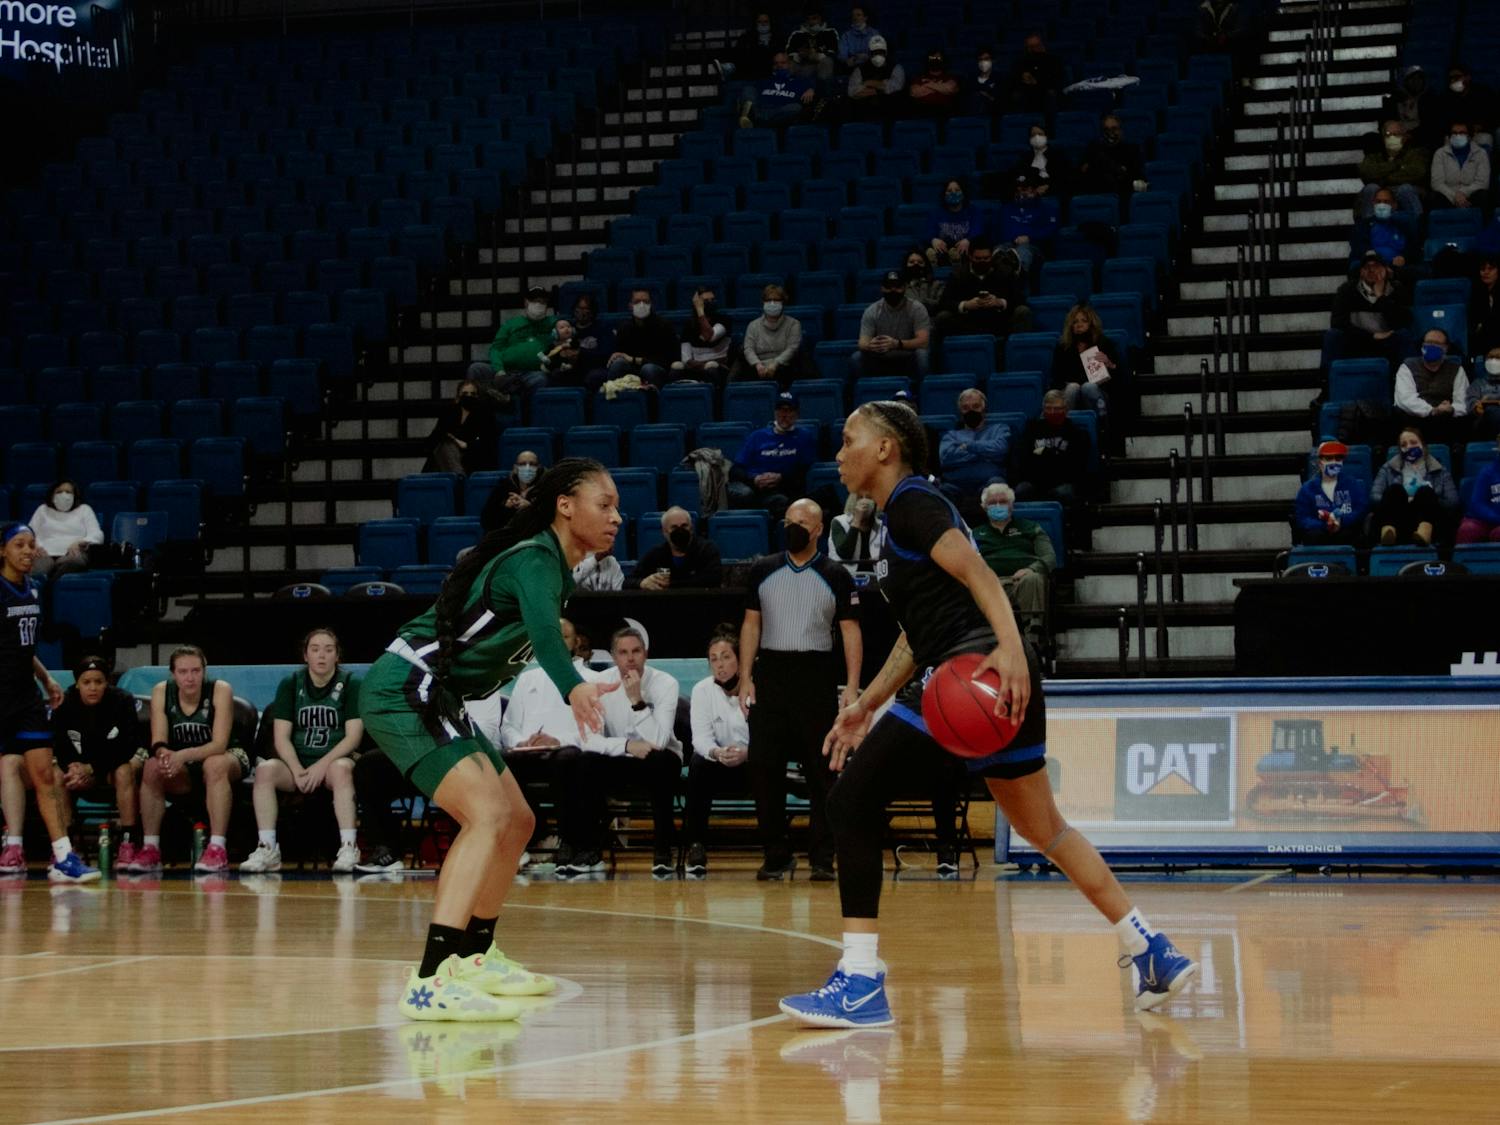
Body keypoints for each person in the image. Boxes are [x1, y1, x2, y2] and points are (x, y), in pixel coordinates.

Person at [777, 401, 1197, 1028]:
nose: (838, 453)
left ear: (886, 448)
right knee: (1047, 831)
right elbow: (917, 636)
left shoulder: (915, 502)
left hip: (970, 675)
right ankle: (1150, 948)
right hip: (984, 671)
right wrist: (865, 703)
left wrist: (1008, 648)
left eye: (849, 440)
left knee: (848, 802)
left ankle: (861, 980)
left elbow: (981, 575)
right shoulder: (898, 521)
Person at [360, 457, 621, 1020]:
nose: (616, 517)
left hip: (438, 695)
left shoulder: (556, 567)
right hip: (405, 687)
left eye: (618, 506)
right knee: (486, 816)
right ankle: (430, 978)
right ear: (565, 506)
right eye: (605, 504)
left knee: (519, 820)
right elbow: (550, 641)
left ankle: (475, 955)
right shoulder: (535, 561)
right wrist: (574, 687)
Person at [739, 498, 862, 881]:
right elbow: (751, 625)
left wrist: (853, 686)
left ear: (819, 529)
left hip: (816, 674)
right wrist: (745, 675)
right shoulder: (762, 570)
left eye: (803, 522)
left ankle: (823, 858)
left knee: (822, 771)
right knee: (764, 768)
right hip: (772, 673)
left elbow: (850, 632)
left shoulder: (835, 574)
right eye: (789, 521)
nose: (794, 527)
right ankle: (776, 854)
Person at [0, 530, 97, 882]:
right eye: (19, 545)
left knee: (44, 775)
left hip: (25, 698)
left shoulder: (35, 588)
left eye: (31, 545)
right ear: (3, 551)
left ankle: (62, 857)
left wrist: (45, 679)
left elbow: (22, 649)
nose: (28, 551)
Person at [550, 627, 682, 877]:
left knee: (661, 761)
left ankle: (663, 848)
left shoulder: (666, 683)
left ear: (646, 654)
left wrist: (637, 701)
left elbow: (660, 740)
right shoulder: (597, 684)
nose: (630, 658)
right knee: (584, 762)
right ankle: (589, 847)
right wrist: (626, 746)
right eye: (623, 652)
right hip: (621, 757)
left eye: (636, 651)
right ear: (613, 656)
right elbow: (589, 739)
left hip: (660, 759)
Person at [240, 629, 365, 875]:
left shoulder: (352, 683)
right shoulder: (291, 683)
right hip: (297, 764)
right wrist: (297, 769)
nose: (322, 655)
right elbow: (281, 737)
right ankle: (267, 848)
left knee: (341, 770)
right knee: (265, 770)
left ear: (337, 655)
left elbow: (353, 737)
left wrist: (320, 766)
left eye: (329, 650)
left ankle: (349, 847)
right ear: (305, 655)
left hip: (334, 762)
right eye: (315, 649)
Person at [133, 645, 248, 874]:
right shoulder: (161, 691)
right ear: (173, 673)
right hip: (181, 763)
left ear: (204, 671)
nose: (190, 677)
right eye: (183, 672)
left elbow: (219, 744)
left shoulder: (219, 689)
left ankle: (217, 847)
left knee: (214, 764)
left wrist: (183, 755)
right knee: (152, 766)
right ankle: (151, 848)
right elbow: (159, 740)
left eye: (196, 671)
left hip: (225, 757)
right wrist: (165, 755)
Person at [497, 617, 599, 863]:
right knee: (499, 763)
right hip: (529, 753)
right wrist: (521, 741)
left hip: (569, 754)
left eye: (563, 636)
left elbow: (596, 731)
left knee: (567, 761)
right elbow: (508, 726)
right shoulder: (527, 679)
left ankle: (568, 840)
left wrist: (558, 740)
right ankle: (535, 834)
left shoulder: (591, 680)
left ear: (576, 642)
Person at [50, 655, 144, 870]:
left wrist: (92, 768)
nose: (93, 687)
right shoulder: (64, 704)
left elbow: (127, 746)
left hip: (111, 766)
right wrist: (72, 768)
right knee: (57, 774)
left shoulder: (122, 701)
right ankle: (66, 847)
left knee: (124, 770)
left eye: (98, 682)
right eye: (87, 682)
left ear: (107, 682)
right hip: (80, 770)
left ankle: (128, 842)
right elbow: (59, 745)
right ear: (77, 684)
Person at [684, 627, 753, 877]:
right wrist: (716, 753)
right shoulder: (702, 690)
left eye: (726, 657)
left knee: (768, 763)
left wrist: (747, 753)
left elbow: (769, 738)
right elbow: (700, 738)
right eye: (713, 659)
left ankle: (775, 847)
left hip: (752, 763)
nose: (719, 664)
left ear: (740, 660)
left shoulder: (757, 687)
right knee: (698, 763)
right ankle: (696, 845)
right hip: (719, 763)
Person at [972, 482, 1054, 647]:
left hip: (1022, 583)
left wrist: (1031, 569)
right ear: (984, 507)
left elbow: (1049, 557)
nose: (997, 506)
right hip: (991, 584)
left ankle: (1034, 639)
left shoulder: (1031, 528)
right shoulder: (975, 534)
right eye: (992, 503)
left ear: (1011, 505)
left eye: (1002, 502)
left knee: (1033, 578)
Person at [729, 390, 819, 521]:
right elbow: (735, 470)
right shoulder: (757, 436)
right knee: (743, 494)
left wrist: (781, 477)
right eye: (781, 410)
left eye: (789, 410)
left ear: (797, 414)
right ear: (775, 413)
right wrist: (754, 479)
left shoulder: (804, 437)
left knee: (781, 501)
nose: (784, 415)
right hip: (753, 488)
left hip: (782, 489)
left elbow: (805, 469)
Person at [1323, 250, 1411, 374]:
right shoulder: (1347, 290)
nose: (1372, 271)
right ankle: (1328, 384)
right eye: (1367, 267)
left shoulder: (1397, 290)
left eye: (1376, 266)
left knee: (1404, 336)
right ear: (1361, 272)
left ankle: (1404, 383)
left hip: (1386, 342)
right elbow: (1338, 323)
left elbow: (1402, 322)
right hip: (1357, 341)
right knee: (1332, 336)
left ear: (1386, 270)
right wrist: (1371, 336)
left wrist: (1381, 298)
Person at [936, 240, 1029, 355]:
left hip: (998, 321)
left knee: (1022, 311)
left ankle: (1017, 358)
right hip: (968, 323)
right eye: (978, 259)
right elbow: (943, 302)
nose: (982, 262)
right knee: (943, 317)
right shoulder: (958, 275)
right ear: (970, 257)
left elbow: (1020, 299)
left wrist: (1000, 302)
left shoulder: (1005, 272)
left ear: (991, 257)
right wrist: (965, 305)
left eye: (986, 258)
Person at [1370, 426, 1459, 546]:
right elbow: (1374, 497)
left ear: (1423, 444)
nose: (1409, 447)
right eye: (1404, 445)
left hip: (1429, 518)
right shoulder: (1388, 468)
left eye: (1413, 442)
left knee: (1425, 492)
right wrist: (1404, 499)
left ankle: (1424, 532)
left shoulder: (1440, 470)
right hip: (1398, 517)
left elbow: (1452, 502)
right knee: (1395, 490)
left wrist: (1427, 499)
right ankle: (1388, 531)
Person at [467, 286, 555, 404]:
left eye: (543, 302)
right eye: (535, 301)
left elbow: (567, 323)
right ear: (526, 302)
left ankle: (506, 397)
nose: (539, 305)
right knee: (476, 369)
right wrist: (499, 370)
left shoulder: (552, 323)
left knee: (540, 379)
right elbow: (496, 349)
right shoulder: (511, 324)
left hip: (530, 374)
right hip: (505, 372)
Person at [938, 388, 1011, 518]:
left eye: (975, 406)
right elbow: (946, 458)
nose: (971, 411)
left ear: (984, 409)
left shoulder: (999, 429)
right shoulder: (951, 435)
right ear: (960, 412)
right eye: (966, 408)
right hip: (956, 487)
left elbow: (1000, 450)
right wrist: (984, 453)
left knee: (998, 486)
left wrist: (968, 446)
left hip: (988, 484)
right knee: (940, 492)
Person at [1393, 327, 1469, 449]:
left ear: (1446, 348)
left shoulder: (1456, 369)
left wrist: (1451, 409)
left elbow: (1463, 401)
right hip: (1416, 418)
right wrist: (1431, 410)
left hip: (1445, 418)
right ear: (1422, 346)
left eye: (1437, 344)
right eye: (1428, 343)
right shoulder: (1407, 366)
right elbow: (1404, 399)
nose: (1432, 346)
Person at [1015, 389, 1091, 508]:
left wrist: (1044, 454)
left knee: (1066, 493)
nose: (1052, 412)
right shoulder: (1032, 429)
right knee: (1021, 490)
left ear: (1065, 410)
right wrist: (1054, 455)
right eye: (1048, 408)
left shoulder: (1076, 433)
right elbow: (1024, 459)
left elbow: (1075, 466)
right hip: (1035, 481)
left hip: (1063, 481)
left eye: (1057, 409)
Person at [850, 271, 931, 381]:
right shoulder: (872, 310)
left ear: (905, 288)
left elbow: (923, 341)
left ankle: (919, 393)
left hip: (907, 357)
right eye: (888, 287)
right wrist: (872, 345)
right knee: (857, 357)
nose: (893, 291)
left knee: (922, 355)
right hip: (880, 358)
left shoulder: (917, 309)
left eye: (897, 287)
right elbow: (862, 342)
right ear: (882, 288)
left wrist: (896, 344)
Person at [594, 288, 679, 392]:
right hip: (632, 370)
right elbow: (620, 353)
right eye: (637, 302)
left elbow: (667, 360)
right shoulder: (624, 328)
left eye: (646, 302)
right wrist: (616, 356)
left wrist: (634, 359)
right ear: (630, 305)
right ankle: (611, 396)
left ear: (651, 304)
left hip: (656, 369)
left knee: (648, 369)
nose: (641, 305)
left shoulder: (664, 326)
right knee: (618, 364)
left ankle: (653, 401)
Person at [1051, 304, 1120, 428]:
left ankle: (1102, 427)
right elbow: (1056, 379)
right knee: (1073, 388)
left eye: (1084, 321)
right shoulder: (1062, 348)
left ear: (1091, 324)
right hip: (1071, 394)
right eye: (1075, 322)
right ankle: (1062, 429)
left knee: (1088, 387)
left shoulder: (1104, 344)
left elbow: (1120, 378)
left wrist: (1109, 364)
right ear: (1070, 326)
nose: (1079, 324)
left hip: (1099, 392)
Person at [1292, 440, 1369, 547]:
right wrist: (1325, 525)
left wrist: (1341, 521)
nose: (1334, 462)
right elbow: (1303, 518)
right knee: (1313, 536)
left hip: (1346, 531)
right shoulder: (1307, 489)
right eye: (1328, 458)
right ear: (1320, 463)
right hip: (1319, 532)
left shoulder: (1353, 484)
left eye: (1338, 458)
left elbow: (1361, 509)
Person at [626, 507, 724, 590]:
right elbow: (628, 582)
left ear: (692, 528)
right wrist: (642, 583)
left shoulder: (707, 550)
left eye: (684, 526)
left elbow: (712, 580)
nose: (680, 531)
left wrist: (671, 584)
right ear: (664, 532)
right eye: (674, 528)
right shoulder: (656, 554)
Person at [27, 480, 103, 581]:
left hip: (73, 554)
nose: (64, 495)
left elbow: (97, 535)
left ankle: (50, 587)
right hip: (45, 553)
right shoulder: (42, 510)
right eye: (59, 492)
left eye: (68, 492)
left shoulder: (85, 510)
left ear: (75, 495)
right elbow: (29, 533)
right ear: (52, 495)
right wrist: (36, 546)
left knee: (74, 562)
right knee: (40, 568)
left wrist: (81, 542)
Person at [425, 380, 498, 476]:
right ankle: (459, 478)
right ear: (458, 396)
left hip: (473, 457)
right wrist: (452, 439)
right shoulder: (449, 413)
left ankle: (459, 480)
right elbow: (433, 439)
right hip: (446, 454)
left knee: (444, 450)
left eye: (473, 394)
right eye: (465, 393)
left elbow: (488, 443)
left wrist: (467, 445)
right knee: (444, 447)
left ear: (478, 397)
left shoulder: (485, 414)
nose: (469, 396)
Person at [1356, 121, 1428, 218]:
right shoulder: (1375, 154)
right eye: (1388, 134)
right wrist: (1397, 166)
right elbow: (1366, 172)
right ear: (1383, 137)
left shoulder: (1415, 153)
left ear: (1404, 137)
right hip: (1381, 190)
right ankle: (1368, 226)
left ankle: (1416, 226)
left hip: (1403, 188)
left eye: (1396, 134)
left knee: (1405, 189)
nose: (1392, 137)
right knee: (1370, 188)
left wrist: (1383, 177)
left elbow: (1418, 172)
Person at [738, 284, 805, 386]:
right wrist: (758, 364)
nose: (772, 303)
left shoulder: (794, 324)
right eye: (768, 300)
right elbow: (748, 349)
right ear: (763, 302)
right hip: (758, 367)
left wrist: (775, 364)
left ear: (783, 302)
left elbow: (792, 348)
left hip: (784, 367)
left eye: (776, 300)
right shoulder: (753, 325)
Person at [997, 170, 1060, 274]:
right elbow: (1001, 230)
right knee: (999, 250)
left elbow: (1051, 230)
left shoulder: (1047, 209)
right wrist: (1014, 239)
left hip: (1034, 247)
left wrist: (1029, 237)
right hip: (1009, 245)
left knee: (1023, 250)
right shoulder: (1006, 209)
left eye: (1025, 189)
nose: (1021, 193)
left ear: (1035, 190)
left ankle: (1017, 275)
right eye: (1017, 190)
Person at [671, 285, 733, 388]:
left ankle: (716, 401)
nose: (711, 303)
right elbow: (686, 359)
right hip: (695, 368)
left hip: (718, 368)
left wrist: (700, 311)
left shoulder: (724, 320)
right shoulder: (689, 325)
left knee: (711, 366)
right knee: (676, 366)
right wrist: (701, 365)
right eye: (706, 301)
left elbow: (710, 336)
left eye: (712, 300)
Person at [1078, 114, 1146, 201]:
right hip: (1098, 197)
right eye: (1106, 130)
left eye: (1114, 129)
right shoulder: (1094, 150)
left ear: (1120, 131)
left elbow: (1137, 180)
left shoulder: (1131, 151)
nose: (1110, 133)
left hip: (1123, 198)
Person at [740, 51, 815, 129]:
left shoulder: (799, 82)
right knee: (748, 88)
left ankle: (755, 120)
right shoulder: (765, 80)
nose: (779, 65)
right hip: (761, 109)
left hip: (781, 113)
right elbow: (750, 93)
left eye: (783, 63)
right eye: (776, 63)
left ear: (789, 64)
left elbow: (813, 85)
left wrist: (811, 89)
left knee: (796, 107)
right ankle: (748, 115)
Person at [1429, 120, 1491, 213]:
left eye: (1462, 133)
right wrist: (1454, 196)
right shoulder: (1440, 153)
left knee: (1483, 195)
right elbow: (1437, 183)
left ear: (1469, 136)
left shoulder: (1481, 153)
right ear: (1449, 136)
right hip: (1448, 196)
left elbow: (1482, 182)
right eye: (1454, 133)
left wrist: (1463, 193)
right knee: (1435, 197)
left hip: (1471, 195)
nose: (1458, 136)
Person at [1347, 187, 1414, 269]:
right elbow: (1358, 245)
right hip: (1371, 266)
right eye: (1378, 201)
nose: (1382, 205)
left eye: (1386, 202)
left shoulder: (1404, 226)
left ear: (1394, 205)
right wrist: (1369, 254)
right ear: (1373, 203)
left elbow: (1413, 247)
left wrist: (1404, 258)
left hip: (1398, 268)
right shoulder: (1363, 225)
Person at [479, 450, 543, 534]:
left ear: (538, 467)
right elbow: (486, 522)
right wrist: (506, 508)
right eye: (522, 464)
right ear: (515, 468)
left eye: (532, 464)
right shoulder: (503, 488)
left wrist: (530, 507)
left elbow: (551, 522)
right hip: (505, 539)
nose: (527, 468)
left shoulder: (546, 488)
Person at [844, 34, 904, 122]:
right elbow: (852, 92)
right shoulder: (860, 69)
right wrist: (880, 89)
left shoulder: (896, 67)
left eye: (881, 52)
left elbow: (895, 87)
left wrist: (868, 83)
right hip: (865, 110)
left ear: (886, 52)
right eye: (874, 53)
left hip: (889, 110)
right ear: (869, 54)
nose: (878, 56)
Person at [925, 180, 987, 266]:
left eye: (957, 190)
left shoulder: (974, 211)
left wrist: (968, 240)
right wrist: (933, 239)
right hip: (943, 251)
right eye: (949, 191)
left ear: (963, 193)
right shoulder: (935, 213)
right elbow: (928, 231)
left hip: (966, 250)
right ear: (944, 195)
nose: (953, 193)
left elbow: (978, 229)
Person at [1010, 124, 1072, 202]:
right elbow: (1020, 176)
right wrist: (1026, 188)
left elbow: (1065, 178)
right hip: (1031, 195)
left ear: (1046, 137)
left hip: (1055, 194)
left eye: (1040, 134)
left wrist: (1048, 187)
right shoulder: (1025, 157)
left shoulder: (1059, 155)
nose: (1036, 138)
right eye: (1033, 135)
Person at [1006, 33, 1064, 116]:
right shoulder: (1021, 61)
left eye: (1037, 46)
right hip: (1028, 90)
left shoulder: (1054, 60)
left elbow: (1057, 79)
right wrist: (1023, 78)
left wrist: (1037, 81)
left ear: (1042, 45)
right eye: (1031, 47)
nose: (1034, 49)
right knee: (1016, 95)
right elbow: (1014, 78)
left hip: (1046, 89)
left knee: (1051, 94)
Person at [1457, 435, 1500, 543]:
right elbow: (1477, 503)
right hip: (1483, 520)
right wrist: (1496, 518)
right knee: (1467, 530)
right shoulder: (1487, 472)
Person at [1382, 65, 1437, 149]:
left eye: (1419, 79)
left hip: (1419, 139)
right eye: (1412, 78)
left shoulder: (1428, 101)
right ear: (1406, 81)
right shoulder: (1396, 99)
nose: (1416, 82)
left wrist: (1410, 135)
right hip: (1397, 136)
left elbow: (1429, 125)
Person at [570, 294, 615, 388]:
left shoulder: (603, 329)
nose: (581, 312)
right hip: (572, 368)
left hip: (595, 368)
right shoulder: (568, 328)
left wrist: (581, 353)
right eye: (579, 308)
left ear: (592, 311)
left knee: (593, 376)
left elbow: (606, 354)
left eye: (585, 308)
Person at [828, 493, 883, 571]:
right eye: (860, 498)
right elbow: (845, 554)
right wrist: (857, 520)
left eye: (869, 498)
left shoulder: (882, 526)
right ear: (853, 501)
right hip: (845, 576)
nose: (864, 502)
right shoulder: (838, 522)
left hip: (875, 577)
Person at [785, 4, 838, 83]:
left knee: (827, 61)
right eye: (808, 19)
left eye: (814, 18)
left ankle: (823, 91)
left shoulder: (830, 32)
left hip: (820, 65)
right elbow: (789, 52)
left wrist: (816, 56)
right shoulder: (797, 34)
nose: (811, 22)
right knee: (787, 63)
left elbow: (834, 51)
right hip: (802, 65)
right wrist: (800, 56)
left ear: (821, 18)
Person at [906, 49, 961, 120]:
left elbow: (950, 89)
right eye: (932, 58)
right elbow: (914, 92)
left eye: (938, 58)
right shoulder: (919, 77)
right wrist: (939, 86)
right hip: (922, 112)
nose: (935, 60)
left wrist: (927, 84)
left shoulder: (949, 77)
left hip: (945, 112)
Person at [1467, 346, 1500, 441]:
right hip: (1484, 422)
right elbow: (1470, 403)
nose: (1494, 362)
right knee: (1491, 410)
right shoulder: (1478, 383)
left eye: (1498, 359)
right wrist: (1477, 407)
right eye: (1490, 359)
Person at [1471, 257, 1500, 361]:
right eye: (1483, 269)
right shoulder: (1477, 295)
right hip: (1484, 348)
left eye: (1491, 268)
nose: (1486, 272)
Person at [902, 248, 945, 315]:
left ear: (926, 265)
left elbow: (942, 304)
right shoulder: (900, 287)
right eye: (911, 262)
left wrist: (922, 302)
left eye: (920, 262)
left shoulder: (938, 285)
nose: (916, 265)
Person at [837, 6, 878, 72]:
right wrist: (847, 60)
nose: (855, 18)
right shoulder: (846, 36)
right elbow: (842, 54)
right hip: (851, 67)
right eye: (853, 15)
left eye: (858, 15)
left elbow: (878, 53)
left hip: (870, 66)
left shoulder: (874, 34)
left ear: (865, 18)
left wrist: (867, 57)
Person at [968, 45, 1000, 117]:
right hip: (974, 116)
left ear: (993, 60)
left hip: (994, 115)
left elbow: (999, 100)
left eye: (986, 59)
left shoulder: (1000, 78)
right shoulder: (971, 79)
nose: (983, 62)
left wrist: (986, 96)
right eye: (980, 59)